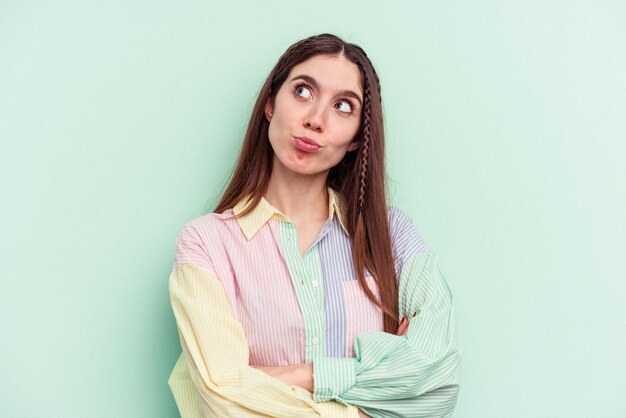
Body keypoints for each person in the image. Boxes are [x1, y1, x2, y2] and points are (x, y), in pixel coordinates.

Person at [167, 33, 462, 417]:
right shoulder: (206, 244)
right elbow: (221, 398)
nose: (315, 120)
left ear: (357, 138)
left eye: (343, 106)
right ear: (271, 104)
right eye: (303, 91)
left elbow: (437, 382)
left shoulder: (391, 235)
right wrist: (367, 404)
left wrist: (304, 374)